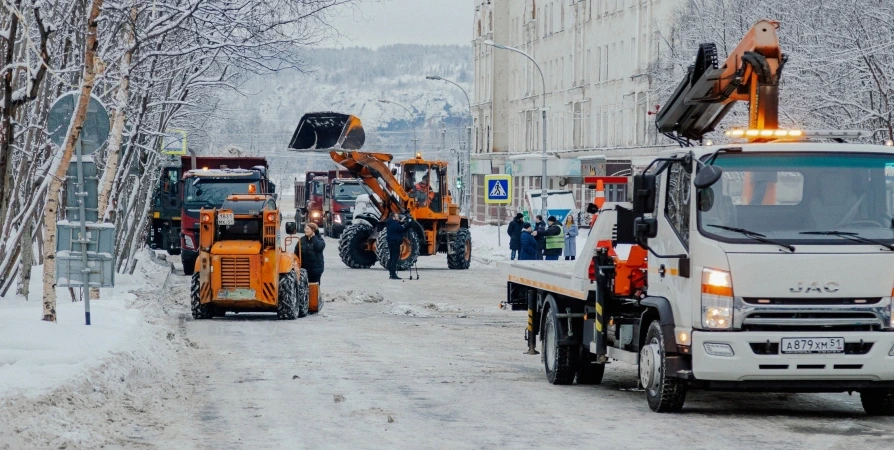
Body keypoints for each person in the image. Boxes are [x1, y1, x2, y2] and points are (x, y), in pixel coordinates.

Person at [385, 212, 409, 280]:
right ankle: (393, 274)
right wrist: (408, 224)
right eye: (397, 216)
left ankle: (391, 274)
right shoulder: (395, 224)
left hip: (391, 242)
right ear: (393, 217)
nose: (398, 217)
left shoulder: (390, 223)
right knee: (395, 259)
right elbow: (402, 230)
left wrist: (401, 222)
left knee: (392, 258)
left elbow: (396, 227)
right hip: (395, 243)